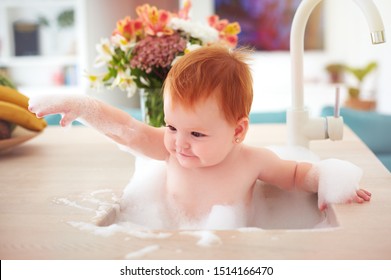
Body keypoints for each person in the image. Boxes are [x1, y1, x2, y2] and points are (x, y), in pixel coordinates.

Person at [28, 45, 371, 223]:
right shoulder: (168, 150)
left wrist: (328, 179)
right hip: (165, 240)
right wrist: (82, 106)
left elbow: (295, 174)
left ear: (238, 131)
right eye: (172, 125)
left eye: (196, 133)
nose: (179, 141)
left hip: (230, 250)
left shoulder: (252, 161)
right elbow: (127, 129)